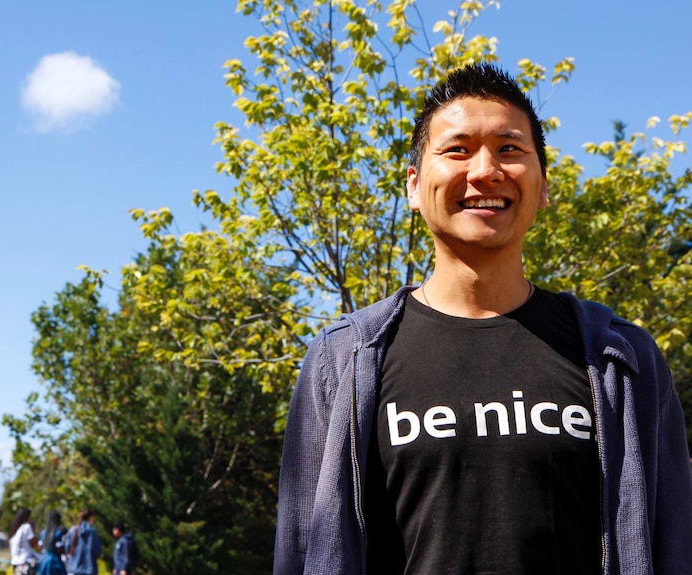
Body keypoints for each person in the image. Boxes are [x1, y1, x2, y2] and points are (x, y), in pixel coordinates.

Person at [273, 63, 692, 575]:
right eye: (457, 149)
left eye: (510, 149)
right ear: (413, 185)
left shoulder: (621, 361)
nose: (485, 170)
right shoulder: (344, 361)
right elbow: (300, 550)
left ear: (541, 187)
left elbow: (674, 543)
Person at [63, 509, 101, 575]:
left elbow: (67, 548)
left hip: (73, 568)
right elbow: (97, 551)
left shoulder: (72, 530)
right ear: (91, 517)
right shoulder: (92, 532)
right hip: (89, 569)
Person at [9, 508, 41, 575]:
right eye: (30, 516)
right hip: (25, 562)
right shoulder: (26, 527)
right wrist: (40, 548)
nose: (31, 518)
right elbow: (33, 543)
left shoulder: (15, 530)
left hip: (15, 563)